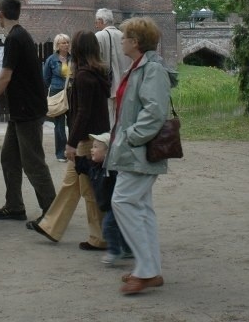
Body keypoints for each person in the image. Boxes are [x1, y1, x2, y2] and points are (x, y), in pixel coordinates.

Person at [107, 16, 178, 295]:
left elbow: (155, 112)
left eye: (124, 37)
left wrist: (131, 137)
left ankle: (147, 270)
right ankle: (150, 269)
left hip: (139, 150)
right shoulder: (140, 66)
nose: (121, 41)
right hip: (134, 149)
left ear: (135, 42)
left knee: (123, 202)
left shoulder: (151, 69)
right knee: (142, 208)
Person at [26, 30, 110, 249]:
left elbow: (82, 113)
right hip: (96, 135)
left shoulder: (83, 75)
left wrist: (71, 143)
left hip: (86, 139)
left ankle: (100, 238)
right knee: (70, 184)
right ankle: (51, 226)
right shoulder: (99, 71)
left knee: (88, 190)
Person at [0, 0, 56, 221]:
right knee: (9, 158)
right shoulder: (21, 35)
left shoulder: (14, 38)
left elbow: (5, 77)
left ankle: (52, 213)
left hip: (27, 110)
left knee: (33, 162)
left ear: (0, 14)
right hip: (21, 111)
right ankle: (14, 206)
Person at [74, 132, 134, 266]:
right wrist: (74, 157)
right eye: (92, 146)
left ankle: (114, 251)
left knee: (108, 226)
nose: (91, 149)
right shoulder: (94, 166)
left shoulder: (113, 169)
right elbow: (83, 166)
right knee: (120, 228)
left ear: (108, 153)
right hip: (109, 205)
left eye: (96, 147)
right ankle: (128, 249)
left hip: (118, 204)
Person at [95, 8, 129, 125]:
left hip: (107, 83)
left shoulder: (99, 36)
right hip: (125, 83)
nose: (96, 25)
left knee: (109, 117)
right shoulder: (123, 36)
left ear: (101, 21)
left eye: (96, 21)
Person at [43, 33, 71, 162]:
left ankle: (73, 151)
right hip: (57, 92)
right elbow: (46, 78)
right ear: (57, 45)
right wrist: (53, 88)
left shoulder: (74, 58)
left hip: (71, 92)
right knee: (59, 124)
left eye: (67, 42)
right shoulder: (51, 60)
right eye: (63, 42)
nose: (66, 45)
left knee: (73, 122)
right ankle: (61, 153)